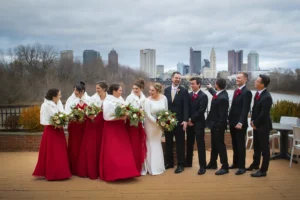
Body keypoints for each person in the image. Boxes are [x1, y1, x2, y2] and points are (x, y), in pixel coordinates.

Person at [99, 83, 140, 181]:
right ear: (114, 91)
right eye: (120, 90)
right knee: (112, 150)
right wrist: (121, 117)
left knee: (124, 149)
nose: (121, 92)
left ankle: (127, 172)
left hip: (121, 127)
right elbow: (106, 117)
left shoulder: (121, 99)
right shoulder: (108, 101)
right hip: (111, 128)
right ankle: (113, 173)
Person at [32, 89, 71, 180]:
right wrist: (55, 123)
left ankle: (62, 171)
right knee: (52, 152)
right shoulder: (45, 105)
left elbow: (62, 113)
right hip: (51, 130)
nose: (60, 96)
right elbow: (45, 118)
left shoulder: (59, 103)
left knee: (60, 151)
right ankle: (52, 173)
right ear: (54, 96)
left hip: (59, 130)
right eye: (59, 95)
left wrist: (62, 121)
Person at [77, 81, 108, 179]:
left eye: (98, 88)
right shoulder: (92, 98)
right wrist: (90, 115)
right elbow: (87, 109)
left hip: (104, 123)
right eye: (96, 88)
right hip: (92, 124)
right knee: (91, 146)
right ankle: (91, 170)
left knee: (102, 145)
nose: (97, 90)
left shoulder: (109, 98)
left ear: (104, 89)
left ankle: (102, 169)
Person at [248, 74, 273, 177]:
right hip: (256, 125)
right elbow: (255, 110)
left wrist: (256, 124)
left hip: (263, 126)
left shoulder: (267, 97)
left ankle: (263, 170)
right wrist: (252, 121)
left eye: (257, 81)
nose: (255, 82)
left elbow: (264, 114)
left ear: (262, 85)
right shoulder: (258, 94)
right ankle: (255, 164)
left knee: (264, 148)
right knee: (256, 146)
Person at [164, 71, 189, 174]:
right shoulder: (166, 90)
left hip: (179, 122)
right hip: (168, 122)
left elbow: (186, 106)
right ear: (172, 78)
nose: (178, 79)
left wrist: (185, 120)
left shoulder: (184, 91)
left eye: (179, 78)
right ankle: (169, 162)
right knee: (168, 142)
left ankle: (180, 164)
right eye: (176, 78)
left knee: (180, 143)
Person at [228, 72, 253, 175]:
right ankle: (236, 163)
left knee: (240, 145)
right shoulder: (236, 91)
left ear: (245, 79)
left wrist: (241, 122)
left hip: (239, 124)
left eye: (239, 78)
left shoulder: (247, 92)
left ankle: (242, 167)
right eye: (236, 78)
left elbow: (245, 109)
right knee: (234, 144)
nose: (237, 79)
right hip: (233, 122)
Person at [65, 81, 90, 175]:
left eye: (77, 90)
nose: (75, 92)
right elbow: (67, 112)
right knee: (74, 145)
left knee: (84, 146)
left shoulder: (89, 99)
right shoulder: (70, 100)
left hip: (85, 126)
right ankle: (73, 168)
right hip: (74, 126)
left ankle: (84, 167)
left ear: (82, 91)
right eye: (74, 90)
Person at [206, 78, 230, 175]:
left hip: (218, 126)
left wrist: (218, 126)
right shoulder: (221, 94)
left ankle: (225, 166)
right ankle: (213, 162)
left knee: (220, 145)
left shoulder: (223, 98)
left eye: (215, 84)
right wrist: (210, 89)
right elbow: (215, 95)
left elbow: (223, 115)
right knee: (214, 144)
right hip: (214, 124)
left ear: (217, 85)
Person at [144, 83, 168, 175]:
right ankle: (151, 168)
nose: (150, 92)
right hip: (150, 125)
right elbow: (148, 114)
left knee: (157, 143)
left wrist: (164, 122)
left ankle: (159, 166)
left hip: (160, 126)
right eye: (149, 90)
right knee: (150, 143)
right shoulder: (147, 100)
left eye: (152, 90)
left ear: (157, 91)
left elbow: (166, 111)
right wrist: (157, 122)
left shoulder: (164, 98)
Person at [186, 77, 208, 175]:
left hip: (198, 124)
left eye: (193, 83)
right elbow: (186, 108)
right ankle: (188, 162)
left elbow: (201, 110)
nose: (191, 85)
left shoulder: (203, 96)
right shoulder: (189, 95)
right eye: (190, 84)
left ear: (199, 84)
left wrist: (192, 119)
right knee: (189, 143)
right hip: (190, 124)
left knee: (200, 145)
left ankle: (202, 166)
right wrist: (187, 119)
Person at [125, 78, 147, 174]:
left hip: (140, 124)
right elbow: (126, 110)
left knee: (140, 144)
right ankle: (132, 166)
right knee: (133, 144)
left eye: (137, 88)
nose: (134, 90)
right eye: (133, 88)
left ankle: (140, 165)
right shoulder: (129, 98)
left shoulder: (144, 99)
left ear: (141, 89)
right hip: (131, 124)